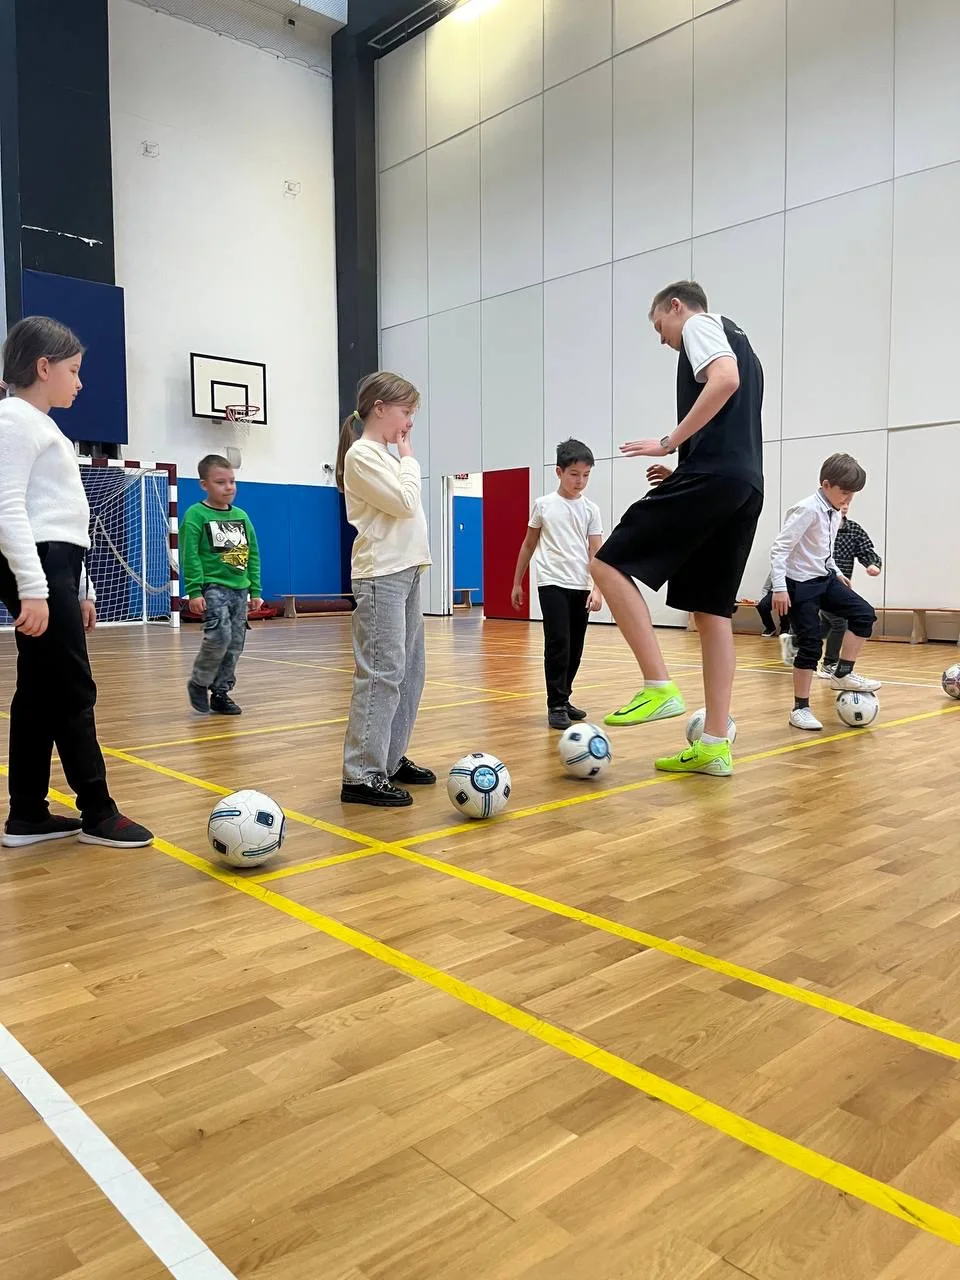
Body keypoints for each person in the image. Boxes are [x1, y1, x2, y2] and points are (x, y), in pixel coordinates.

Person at [590, 280, 764, 778]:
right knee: (711, 612)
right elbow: (730, 416)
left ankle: (658, 685)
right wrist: (685, 470)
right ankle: (714, 744)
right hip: (742, 484)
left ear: (675, 306)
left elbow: (724, 381)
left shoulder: (701, 325)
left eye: (659, 326)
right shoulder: (743, 341)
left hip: (714, 478)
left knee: (604, 563)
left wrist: (668, 443)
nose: (662, 338)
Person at [0, 316, 153, 848]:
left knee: (39, 692)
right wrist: (33, 588)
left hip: (58, 565)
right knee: (72, 686)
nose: (80, 382)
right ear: (43, 368)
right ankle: (98, 812)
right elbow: (9, 510)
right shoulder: (14, 419)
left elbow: (63, 520)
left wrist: (81, 588)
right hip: (39, 567)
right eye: (73, 370)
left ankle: (27, 814)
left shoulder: (43, 426)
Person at [336, 372, 434, 808]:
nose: (409, 422)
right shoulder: (362, 456)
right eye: (406, 411)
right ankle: (361, 773)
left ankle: (388, 759)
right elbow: (405, 502)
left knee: (409, 672)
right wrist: (409, 457)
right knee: (381, 672)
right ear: (379, 408)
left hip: (406, 571)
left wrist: (403, 459)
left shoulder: (385, 457)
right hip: (381, 575)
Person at [770, 453, 881, 732]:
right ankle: (800, 709)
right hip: (800, 585)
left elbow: (824, 550)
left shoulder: (833, 511)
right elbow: (780, 549)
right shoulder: (807, 510)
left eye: (853, 494)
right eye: (845, 492)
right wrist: (779, 588)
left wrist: (837, 572)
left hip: (825, 578)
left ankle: (842, 672)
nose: (848, 499)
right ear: (826, 484)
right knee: (810, 645)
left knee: (864, 614)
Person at [511, 438, 603, 729]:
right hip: (551, 582)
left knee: (575, 647)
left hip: (581, 585)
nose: (580, 481)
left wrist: (598, 588)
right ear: (559, 472)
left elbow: (596, 551)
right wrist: (517, 582)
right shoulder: (543, 505)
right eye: (574, 474)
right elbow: (528, 544)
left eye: (586, 475)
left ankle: (565, 696)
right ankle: (556, 704)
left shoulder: (591, 510)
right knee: (558, 643)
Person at [182, 455, 263, 715]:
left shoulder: (241, 516)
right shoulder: (196, 515)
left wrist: (255, 590)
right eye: (220, 482)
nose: (229, 487)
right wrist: (194, 591)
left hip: (240, 589)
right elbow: (190, 556)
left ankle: (220, 692)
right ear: (204, 484)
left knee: (235, 643)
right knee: (219, 637)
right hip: (213, 588)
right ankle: (199, 682)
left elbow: (252, 554)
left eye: (232, 481)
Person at [816, 501, 881, 680]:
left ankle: (794, 641)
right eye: (841, 502)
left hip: (841, 588)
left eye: (848, 503)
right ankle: (830, 664)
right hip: (819, 583)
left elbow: (866, 550)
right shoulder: (820, 526)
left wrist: (872, 564)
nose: (845, 506)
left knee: (826, 625)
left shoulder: (853, 530)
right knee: (839, 623)